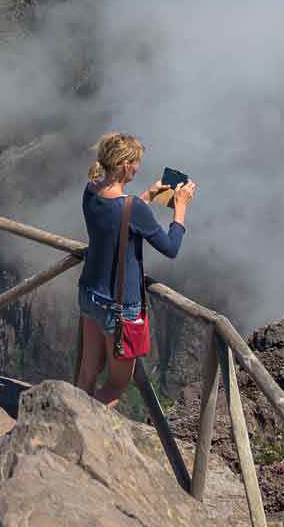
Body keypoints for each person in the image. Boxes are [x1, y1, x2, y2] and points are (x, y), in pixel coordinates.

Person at [74, 132, 195, 406]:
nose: (138, 168)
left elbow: (120, 217)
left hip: (89, 293)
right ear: (125, 165)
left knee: (87, 372)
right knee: (116, 386)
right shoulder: (134, 208)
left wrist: (150, 195)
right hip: (119, 307)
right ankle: (80, 426)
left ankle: (66, 414)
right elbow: (170, 248)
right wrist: (181, 209)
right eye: (136, 162)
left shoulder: (90, 192)